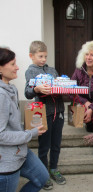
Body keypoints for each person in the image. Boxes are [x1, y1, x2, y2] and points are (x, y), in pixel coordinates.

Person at [0, 48, 49, 192]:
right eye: (13, 64)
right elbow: (1, 135)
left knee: (42, 177)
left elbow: (12, 125)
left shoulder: (12, 89)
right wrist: (30, 133)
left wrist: (30, 124)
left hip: (20, 151)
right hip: (7, 161)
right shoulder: (1, 96)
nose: (17, 67)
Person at [24, 41, 65, 190]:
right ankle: (43, 174)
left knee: (56, 144)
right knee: (44, 145)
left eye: (45, 56)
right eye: (40, 56)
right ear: (31, 56)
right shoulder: (30, 71)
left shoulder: (52, 70)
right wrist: (36, 89)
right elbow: (27, 93)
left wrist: (63, 87)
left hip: (58, 111)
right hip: (43, 113)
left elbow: (60, 86)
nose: (43, 59)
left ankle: (53, 169)